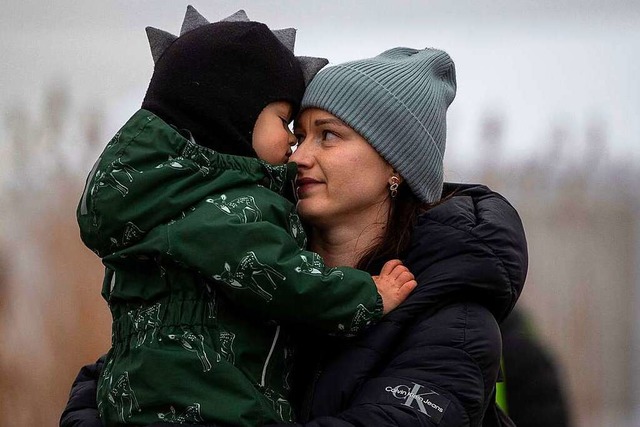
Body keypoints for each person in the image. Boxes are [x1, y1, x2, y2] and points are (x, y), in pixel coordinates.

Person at [61, 44, 528, 426]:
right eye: (297, 134)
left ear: (395, 165)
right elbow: (131, 371)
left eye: (327, 136)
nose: (298, 155)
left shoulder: (454, 322)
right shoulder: (252, 259)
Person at [73, 7, 416, 426]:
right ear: (232, 112)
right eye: (286, 122)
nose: (294, 147)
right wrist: (367, 296)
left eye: (325, 135)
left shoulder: (170, 200)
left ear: (396, 164)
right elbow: (286, 278)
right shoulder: (224, 212)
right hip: (210, 406)